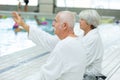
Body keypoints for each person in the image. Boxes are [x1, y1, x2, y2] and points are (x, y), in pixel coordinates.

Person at [12, 9, 106, 80]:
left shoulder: (90, 39)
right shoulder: (77, 39)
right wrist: (24, 25)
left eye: (55, 21)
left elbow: (46, 75)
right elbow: (49, 40)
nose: (52, 24)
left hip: (91, 75)